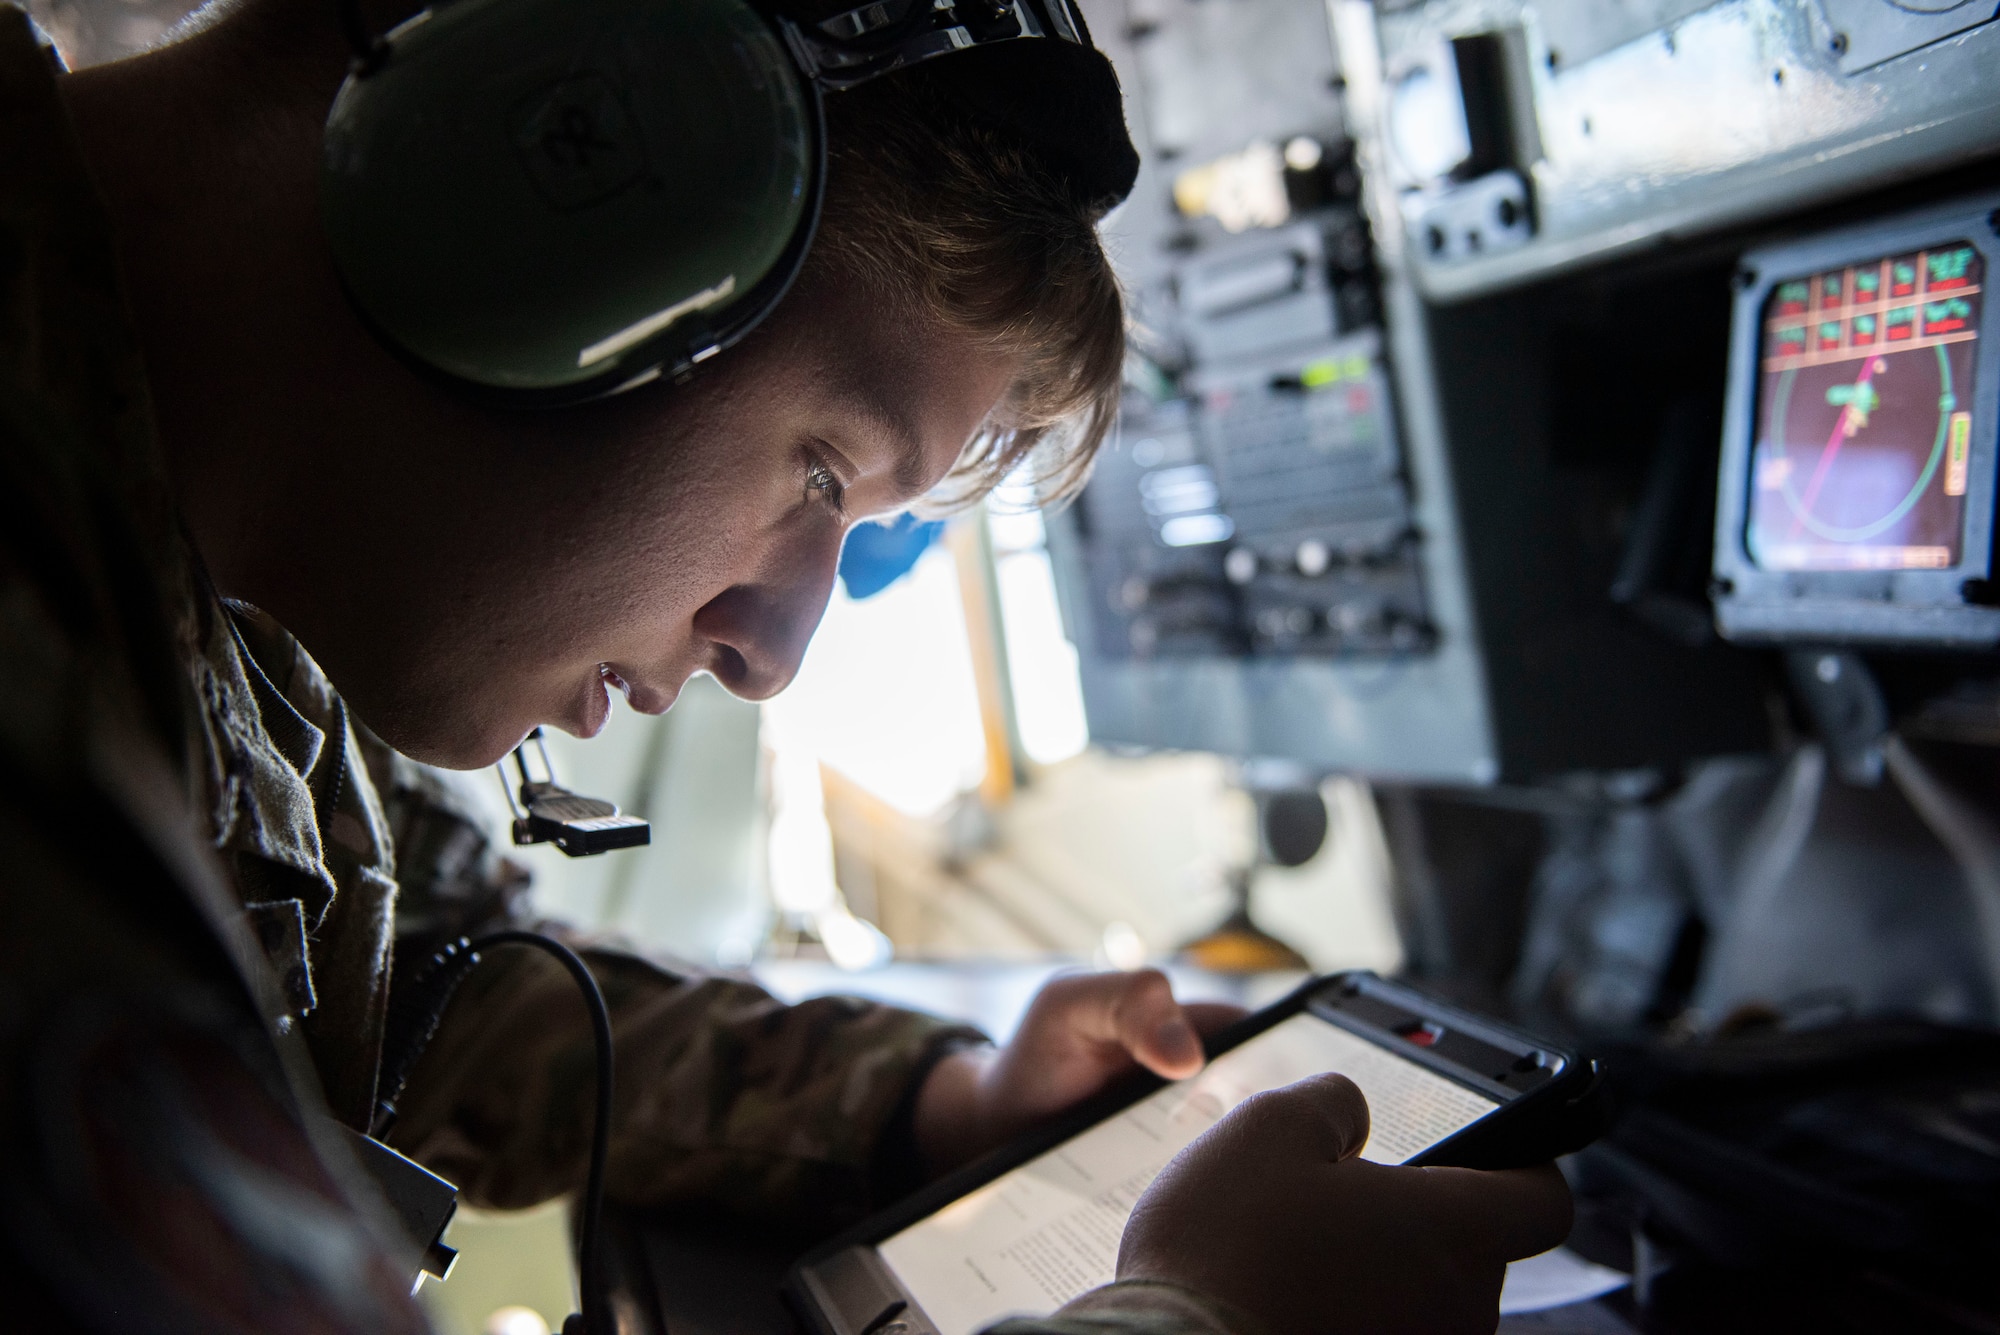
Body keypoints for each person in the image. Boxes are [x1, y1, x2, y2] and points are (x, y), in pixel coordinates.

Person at [0, 0, 1571, 1328]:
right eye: (824, 476)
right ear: (547, 155)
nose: (771, 653)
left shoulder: (188, 597)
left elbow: (437, 1000)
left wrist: (936, 1109)